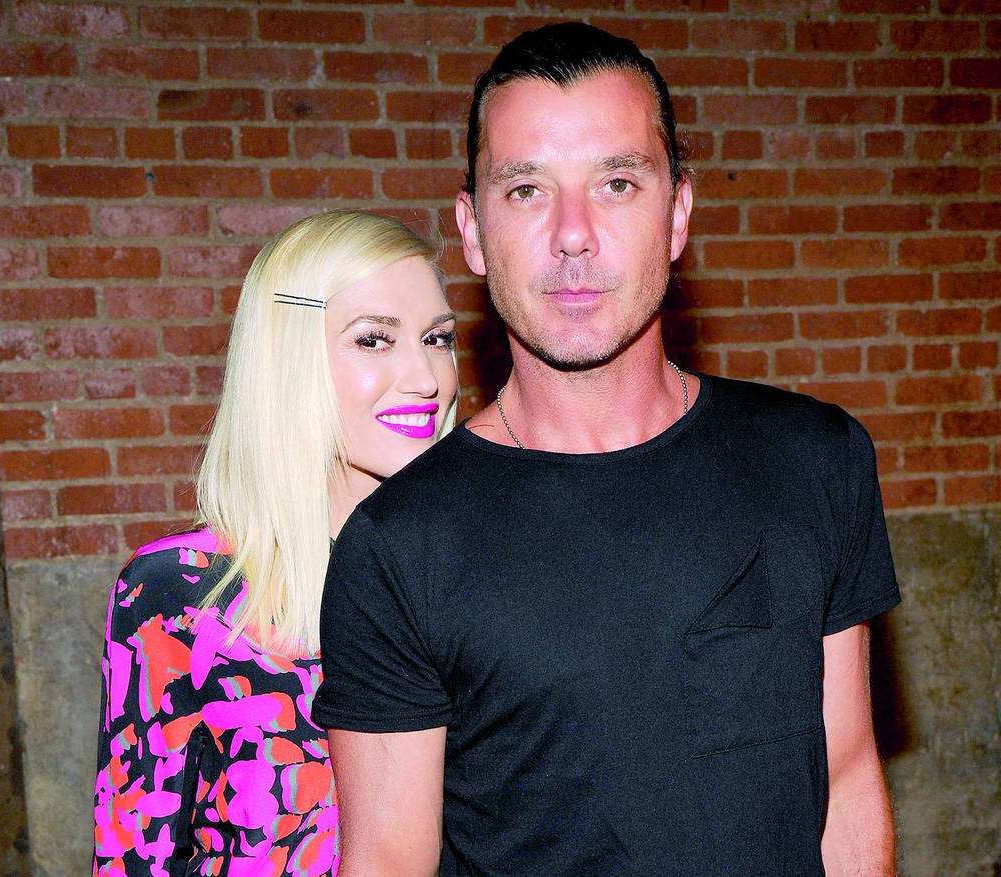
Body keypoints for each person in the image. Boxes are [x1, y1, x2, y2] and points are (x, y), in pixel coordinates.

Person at [313, 22, 901, 877]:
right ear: (472, 231)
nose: (573, 233)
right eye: (526, 190)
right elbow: (387, 863)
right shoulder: (397, 546)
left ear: (678, 214)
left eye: (617, 182)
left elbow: (844, 782)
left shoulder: (816, 459)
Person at [92, 210, 458, 876]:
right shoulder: (183, 592)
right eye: (374, 339)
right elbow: (135, 854)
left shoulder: (474, 572)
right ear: (289, 359)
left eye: (437, 338)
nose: (426, 376)